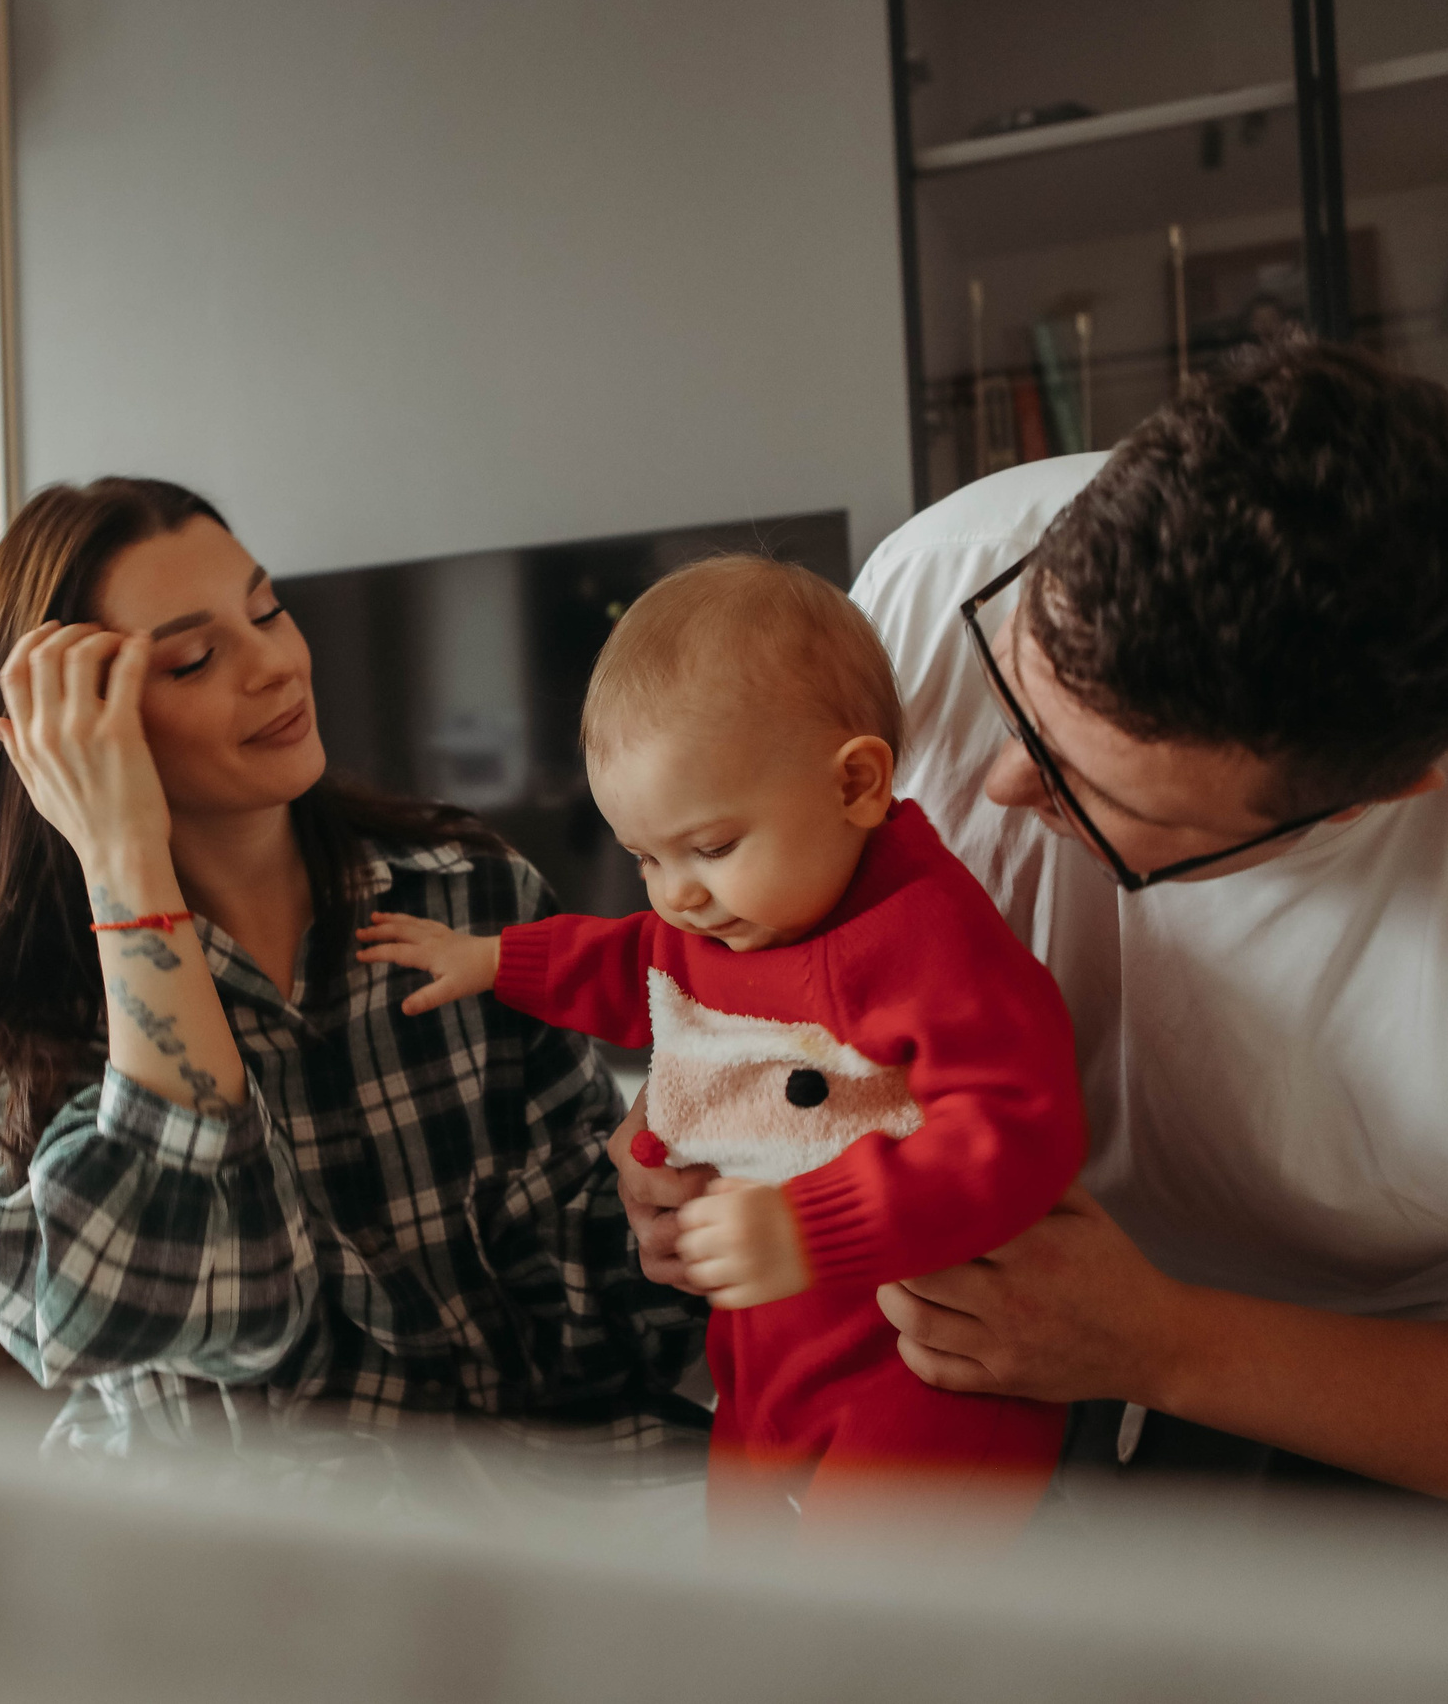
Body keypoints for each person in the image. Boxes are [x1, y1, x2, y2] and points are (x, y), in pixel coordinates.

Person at [618, 345, 1448, 1533]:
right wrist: (696, 1098)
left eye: (1107, 797)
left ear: (1370, 795)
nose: (998, 786)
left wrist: (1166, 1347)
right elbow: (772, 915)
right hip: (936, 1290)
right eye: (1019, 696)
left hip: (1390, 1376)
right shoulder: (936, 582)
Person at [0, 477, 702, 1464]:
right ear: (71, 740)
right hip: (259, 1580)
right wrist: (123, 863)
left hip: (555, 1516)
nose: (274, 666)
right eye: (192, 659)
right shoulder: (19, 1042)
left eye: (268, 611)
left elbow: (613, 1327)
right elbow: (224, 1304)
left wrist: (666, 1224)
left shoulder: (473, 903)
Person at [359, 557, 1085, 1525]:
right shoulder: (717, 921)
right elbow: (625, 964)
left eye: (709, 848)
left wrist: (809, 1227)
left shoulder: (925, 941)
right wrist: (494, 960)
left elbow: (1016, 1132)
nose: (676, 894)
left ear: (856, 785)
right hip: (760, 1357)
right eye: (643, 858)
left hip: (922, 1367)